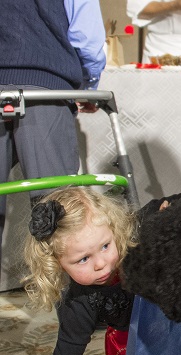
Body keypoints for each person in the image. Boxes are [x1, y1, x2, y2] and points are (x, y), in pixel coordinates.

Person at [0, 0, 106, 283]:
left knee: (59, 212)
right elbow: (87, 34)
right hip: (44, 83)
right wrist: (87, 83)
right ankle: (74, 323)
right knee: (61, 213)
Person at [22, 187, 137, 355]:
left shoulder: (138, 253)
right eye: (83, 259)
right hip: (132, 343)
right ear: (57, 264)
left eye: (105, 246)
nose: (101, 264)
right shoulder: (78, 303)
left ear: (114, 230)